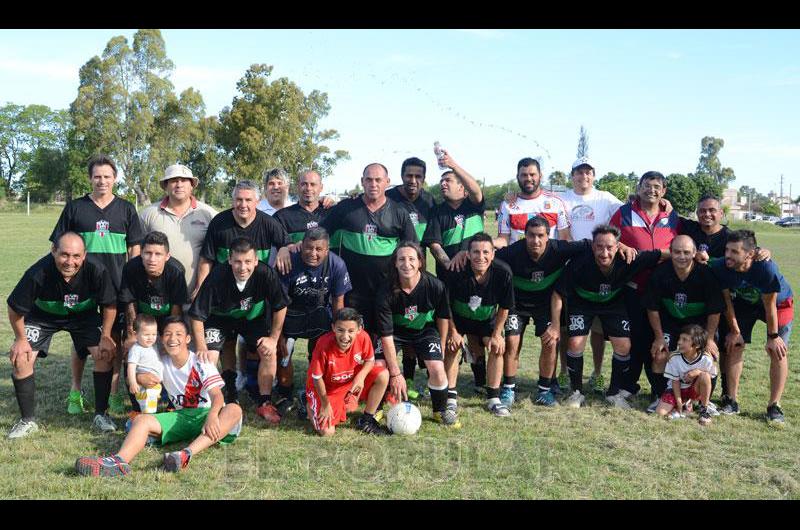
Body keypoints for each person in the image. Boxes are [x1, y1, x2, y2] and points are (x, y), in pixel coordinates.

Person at [75, 316, 243, 476]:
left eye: (179, 334)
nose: (173, 339)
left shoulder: (201, 361)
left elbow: (217, 396)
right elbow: (137, 376)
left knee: (234, 409)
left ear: (188, 339)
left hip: (207, 415)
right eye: (168, 334)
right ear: (162, 339)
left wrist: (213, 416)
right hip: (182, 416)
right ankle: (119, 462)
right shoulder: (161, 362)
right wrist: (140, 377)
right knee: (140, 420)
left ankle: (185, 455)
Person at [495, 216, 630, 408]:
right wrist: (464, 255)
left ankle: (544, 389)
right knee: (512, 340)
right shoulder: (512, 252)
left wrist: (621, 246)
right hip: (517, 305)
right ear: (524, 236)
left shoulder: (559, 248)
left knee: (551, 341)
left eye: (541, 235)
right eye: (531, 236)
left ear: (548, 236)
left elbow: (593, 244)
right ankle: (508, 388)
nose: (536, 241)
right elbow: (488, 257)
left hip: (545, 304)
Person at [50, 155, 145, 418]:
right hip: (83, 287)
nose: (102, 181)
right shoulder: (75, 208)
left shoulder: (126, 209)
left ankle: (113, 394)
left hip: (115, 286)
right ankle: (75, 392)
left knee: (113, 339)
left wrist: (131, 283)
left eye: (107, 176)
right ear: (90, 178)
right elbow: (56, 247)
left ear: (115, 179)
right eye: (97, 176)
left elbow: (134, 251)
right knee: (81, 341)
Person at [6, 232, 117, 438]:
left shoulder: (97, 270)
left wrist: (107, 335)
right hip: (43, 316)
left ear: (84, 255)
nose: (70, 262)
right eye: (64, 255)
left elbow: (109, 304)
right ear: (53, 251)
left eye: (76, 256)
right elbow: (14, 308)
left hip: (84, 316)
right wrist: (21, 340)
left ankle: (102, 414)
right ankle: (27, 421)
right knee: (21, 358)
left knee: (104, 353)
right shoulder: (38, 272)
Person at [551, 224, 667, 409]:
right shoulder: (579, 263)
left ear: (618, 246)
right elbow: (558, 294)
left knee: (624, 345)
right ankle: (576, 391)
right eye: (599, 247)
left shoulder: (628, 258)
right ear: (592, 246)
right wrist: (556, 325)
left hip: (612, 304)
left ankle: (613, 393)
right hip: (582, 303)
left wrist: (691, 254)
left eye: (609, 247)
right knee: (575, 343)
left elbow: (660, 254)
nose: (604, 253)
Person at [320, 162, 418, 376]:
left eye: (378, 180)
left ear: (387, 182)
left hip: (386, 290)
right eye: (368, 179)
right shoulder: (346, 208)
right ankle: (347, 378)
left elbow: (413, 250)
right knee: (350, 335)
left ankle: (381, 381)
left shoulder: (399, 213)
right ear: (362, 181)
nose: (373, 184)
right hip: (352, 289)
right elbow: (320, 234)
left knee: (382, 337)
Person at [196, 180, 290, 401]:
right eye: (239, 199)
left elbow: (286, 242)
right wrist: (201, 288)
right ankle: (229, 388)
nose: (243, 204)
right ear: (232, 201)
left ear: (257, 201)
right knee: (226, 343)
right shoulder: (220, 223)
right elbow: (206, 259)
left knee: (258, 347)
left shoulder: (269, 223)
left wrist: (284, 248)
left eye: (248, 200)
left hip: (253, 303)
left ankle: (259, 393)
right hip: (222, 300)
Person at [189, 237, 288, 423]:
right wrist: (201, 345)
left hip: (250, 318)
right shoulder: (216, 277)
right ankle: (215, 400)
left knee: (268, 351)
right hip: (219, 318)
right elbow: (196, 315)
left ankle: (265, 402)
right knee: (208, 357)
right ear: (229, 260)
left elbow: (281, 306)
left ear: (256, 260)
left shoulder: (266, 273)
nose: (243, 267)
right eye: (238, 262)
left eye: (248, 262)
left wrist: (274, 338)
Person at [609, 171, 679, 405]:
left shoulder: (673, 217)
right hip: (633, 287)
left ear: (664, 191)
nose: (652, 190)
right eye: (647, 185)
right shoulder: (625, 212)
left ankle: (659, 388)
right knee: (635, 339)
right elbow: (610, 237)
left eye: (657, 186)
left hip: (663, 290)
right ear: (639, 188)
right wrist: (621, 245)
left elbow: (683, 244)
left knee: (658, 339)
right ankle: (628, 385)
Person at [712, 230, 793, 426]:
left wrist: (773, 336)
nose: (728, 255)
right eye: (727, 250)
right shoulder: (722, 266)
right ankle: (731, 400)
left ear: (750, 254)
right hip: (744, 303)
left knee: (777, 351)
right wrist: (735, 331)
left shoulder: (765, 268)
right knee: (734, 344)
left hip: (777, 304)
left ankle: (774, 405)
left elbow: (770, 305)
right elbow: (727, 303)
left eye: (734, 251)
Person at [556, 157, 623, 395]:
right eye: (578, 172)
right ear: (571, 175)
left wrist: (664, 202)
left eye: (588, 172)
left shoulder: (605, 198)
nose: (583, 176)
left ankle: (596, 373)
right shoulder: (561, 198)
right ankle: (564, 372)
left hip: (599, 269)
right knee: (567, 327)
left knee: (597, 328)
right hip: (568, 268)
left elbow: (630, 209)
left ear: (594, 175)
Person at [375, 242, 458, 427]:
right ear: (395, 263)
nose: (407, 264)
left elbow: (443, 318)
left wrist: (441, 347)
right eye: (401, 259)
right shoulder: (385, 291)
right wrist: (396, 374)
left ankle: (439, 411)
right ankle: (377, 408)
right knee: (379, 366)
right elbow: (386, 336)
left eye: (412, 259)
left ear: (420, 262)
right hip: (395, 333)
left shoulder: (435, 285)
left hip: (424, 330)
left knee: (437, 368)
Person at [274, 227, 351, 417]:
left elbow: (338, 302)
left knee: (321, 356)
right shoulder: (288, 262)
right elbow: (279, 303)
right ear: (301, 247)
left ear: (327, 249)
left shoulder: (337, 264)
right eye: (308, 248)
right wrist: (279, 335)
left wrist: (338, 333)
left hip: (319, 314)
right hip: (291, 314)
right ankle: (285, 394)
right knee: (283, 356)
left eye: (318, 249)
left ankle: (313, 392)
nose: (313, 254)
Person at [644, 235, 724, 414]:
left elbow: (715, 310)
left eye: (687, 252)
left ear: (695, 253)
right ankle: (660, 395)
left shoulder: (706, 275)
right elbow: (652, 307)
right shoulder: (660, 273)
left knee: (708, 357)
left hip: (698, 326)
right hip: (670, 322)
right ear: (670, 252)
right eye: (677, 252)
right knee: (659, 354)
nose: (682, 256)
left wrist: (710, 339)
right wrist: (658, 337)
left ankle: (704, 400)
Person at [441, 233, 514, 417]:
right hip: (458, 319)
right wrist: (453, 332)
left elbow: (505, 306)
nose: (480, 257)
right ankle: (450, 398)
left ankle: (493, 398)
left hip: (486, 319)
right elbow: (445, 305)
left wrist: (497, 333)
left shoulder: (503, 272)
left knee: (498, 347)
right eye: (475, 252)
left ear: (493, 254)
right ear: (468, 254)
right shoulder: (455, 271)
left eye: (485, 252)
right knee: (452, 346)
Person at [386, 157, 438, 393]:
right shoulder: (389, 197)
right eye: (409, 175)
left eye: (418, 176)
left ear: (424, 179)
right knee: (400, 321)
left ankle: (421, 376)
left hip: (418, 271)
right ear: (401, 176)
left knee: (416, 320)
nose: (413, 180)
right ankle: (405, 380)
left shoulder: (430, 201)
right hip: (394, 269)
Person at [306, 308, 390, 436]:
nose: (345, 337)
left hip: (349, 381)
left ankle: (366, 420)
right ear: (333, 328)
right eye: (340, 330)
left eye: (351, 331)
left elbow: (370, 361)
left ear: (359, 329)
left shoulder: (363, 337)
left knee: (383, 375)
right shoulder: (323, 344)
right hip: (325, 389)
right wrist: (324, 404)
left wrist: (360, 378)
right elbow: (317, 378)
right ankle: (309, 405)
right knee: (327, 432)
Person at [138, 163, 217, 299]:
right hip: (158, 297)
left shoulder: (209, 214)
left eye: (184, 180)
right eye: (174, 180)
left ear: (192, 185)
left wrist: (202, 287)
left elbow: (215, 254)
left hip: (196, 296)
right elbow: (137, 251)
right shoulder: (148, 214)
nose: (179, 185)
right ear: (166, 186)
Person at [422, 149, 486, 279]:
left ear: (462, 187)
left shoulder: (473, 205)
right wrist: (449, 265)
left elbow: (476, 190)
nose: (443, 183)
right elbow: (435, 245)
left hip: (476, 272)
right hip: (448, 275)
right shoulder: (436, 211)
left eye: (448, 180)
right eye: (441, 181)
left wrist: (453, 165)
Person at [495, 157, 570, 247]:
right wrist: (488, 242)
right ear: (517, 177)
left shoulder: (556, 202)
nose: (528, 178)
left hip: (549, 260)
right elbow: (503, 239)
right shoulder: (507, 204)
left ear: (540, 176)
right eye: (524, 175)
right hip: (518, 260)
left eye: (532, 174)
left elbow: (565, 239)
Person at [656, 325, 716, 426]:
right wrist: (679, 402)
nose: (679, 342)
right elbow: (675, 382)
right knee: (659, 413)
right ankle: (683, 406)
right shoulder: (674, 358)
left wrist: (698, 371)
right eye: (680, 338)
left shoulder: (706, 359)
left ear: (696, 345)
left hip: (694, 390)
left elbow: (711, 375)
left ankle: (704, 411)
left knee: (705, 376)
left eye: (684, 340)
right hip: (676, 390)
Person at [126, 314, 164, 415]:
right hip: (143, 384)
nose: (150, 338)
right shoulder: (136, 349)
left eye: (154, 334)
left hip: (155, 383)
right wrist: (133, 382)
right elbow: (131, 367)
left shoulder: (154, 345)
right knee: (146, 406)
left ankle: (148, 417)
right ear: (135, 334)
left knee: (150, 404)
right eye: (146, 335)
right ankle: (146, 419)